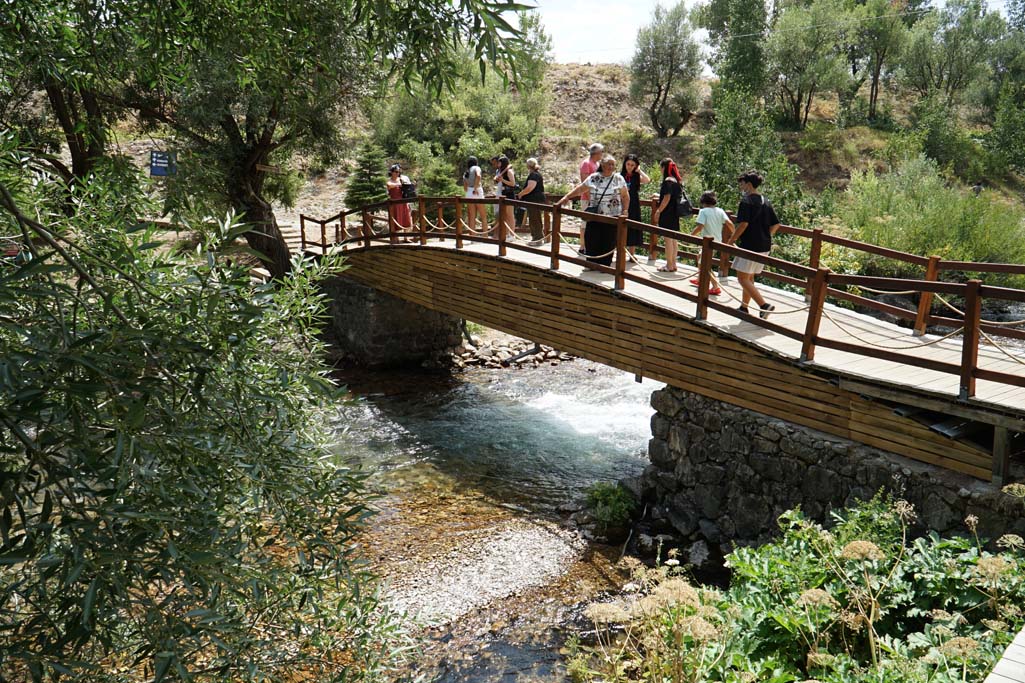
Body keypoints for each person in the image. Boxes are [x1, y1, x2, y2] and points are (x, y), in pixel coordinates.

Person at [726, 171, 782, 319]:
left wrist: (731, 241)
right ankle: (744, 307)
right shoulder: (765, 201)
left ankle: (764, 306)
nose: (740, 186)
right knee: (749, 277)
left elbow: (743, 224)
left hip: (750, 245)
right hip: (764, 246)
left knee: (742, 278)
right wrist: (765, 235)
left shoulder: (746, 201)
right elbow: (776, 224)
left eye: (742, 183)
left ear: (748, 184)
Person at [556, 154, 629, 267]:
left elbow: (625, 196)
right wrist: (567, 197)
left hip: (612, 216)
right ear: (602, 165)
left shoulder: (618, 179)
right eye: (608, 164)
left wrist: (625, 210)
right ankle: (591, 264)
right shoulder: (594, 177)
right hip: (595, 215)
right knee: (591, 238)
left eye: (613, 164)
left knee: (608, 240)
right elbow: (581, 188)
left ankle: (605, 265)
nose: (611, 166)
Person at [688, 191, 734, 295]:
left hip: (707, 242)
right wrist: (733, 236)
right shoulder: (720, 211)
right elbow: (730, 223)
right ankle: (700, 279)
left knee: (705, 264)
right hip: (717, 241)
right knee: (699, 257)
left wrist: (691, 235)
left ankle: (715, 287)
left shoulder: (703, 211)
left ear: (703, 201)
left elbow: (700, 227)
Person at [650, 158, 683, 272]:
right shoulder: (676, 181)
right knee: (674, 240)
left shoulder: (667, 181)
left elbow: (667, 197)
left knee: (668, 240)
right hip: (675, 214)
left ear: (663, 168)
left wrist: (658, 211)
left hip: (667, 213)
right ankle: (673, 264)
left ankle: (669, 265)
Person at [620, 154, 651, 259]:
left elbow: (647, 180)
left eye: (632, 165)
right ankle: (620, 253)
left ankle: (632, 254)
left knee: (633, 227)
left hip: (634, 204)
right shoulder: (619, 176)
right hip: (622, 203)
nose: (629, 166)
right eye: (628, 164)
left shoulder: (636, 177)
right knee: (621, 227)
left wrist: (639, 171)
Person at [578, 143, 604, 252]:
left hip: (597, 198)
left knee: (595, 223)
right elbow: (585, 183)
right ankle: (583, 246)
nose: (602, 154)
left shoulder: (597, 164)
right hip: (587, 198)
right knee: (585, 222)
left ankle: (593, 245)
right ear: (596, 153)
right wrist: (590, 198)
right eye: (601, 152)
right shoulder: (586, 163)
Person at [517, 158, 547, 245]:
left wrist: (521, 194)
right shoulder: (536, 174)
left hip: (534, 200)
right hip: (535, 200)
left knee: (535, 219)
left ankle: (537, 239)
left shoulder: (534, 175)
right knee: (535, 218)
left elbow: (530, 187)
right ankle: (537, 238)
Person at [386, 164, 413, 241]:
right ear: (392, 172)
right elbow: (390, 185)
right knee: (396, 219)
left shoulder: (401, 179)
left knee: (406, 219)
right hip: (395, 203)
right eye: (396, 172)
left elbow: (408, 187)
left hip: (403, 202)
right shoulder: (389, 181)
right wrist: (399, 184)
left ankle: (406, 237)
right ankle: (396, 238)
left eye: (398, 172)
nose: (398, 173)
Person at [493, 155, 517, 236]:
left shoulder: (509, 171)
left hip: (509, 194)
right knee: (505, 215)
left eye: (499, 162)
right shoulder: (500, 171)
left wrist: (502, 179)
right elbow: (496, 179)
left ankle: (512, 234)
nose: (498, 163)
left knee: (510, 215)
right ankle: (507, 233)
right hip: (503, 194)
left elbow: (513, 183)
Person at [462, 156, 485, 233]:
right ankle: (485, 235)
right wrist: (475, 188)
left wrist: (471, 189)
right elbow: (478, 176)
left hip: (469, 192)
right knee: (483, 215)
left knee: (472, 216)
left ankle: (472, 236)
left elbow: (465, 188)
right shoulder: (476, 168)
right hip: (477, 190)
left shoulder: (466, 172)